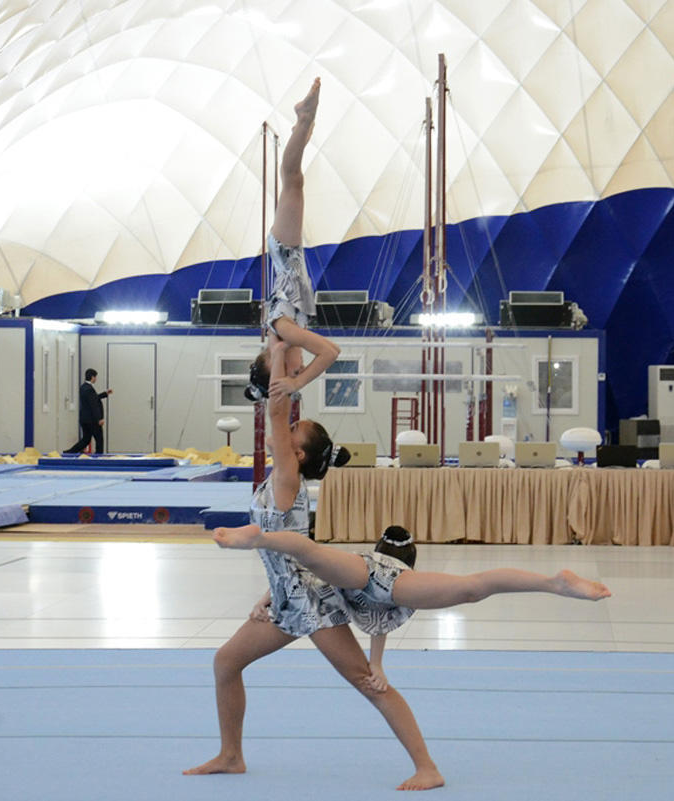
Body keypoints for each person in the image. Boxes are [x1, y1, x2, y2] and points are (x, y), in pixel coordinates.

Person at [184, 340, 445, 791]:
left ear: (297, 455)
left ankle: (427, 767)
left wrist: (280, 346)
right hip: (287, 599)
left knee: (367, 681)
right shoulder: (279, 478)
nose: (289, 430)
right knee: (226, 662)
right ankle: (231, 755)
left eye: (294, 432)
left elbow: (276, 410)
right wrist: (268, 595)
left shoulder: (286, 476)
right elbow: (288, 550)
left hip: (314, 603)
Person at [211, 522, 613, 692]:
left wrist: (262, 599)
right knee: (472, 589)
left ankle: (261, 538)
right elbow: (378, 617)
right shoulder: (392, 580)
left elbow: (296, 574)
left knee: (312, 553)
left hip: (367, 575)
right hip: (374, 581)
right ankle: (551, 584)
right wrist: (262, 601)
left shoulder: (378, 569)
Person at [245, 77, 340, 403]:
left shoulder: (284, 331)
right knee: (293, 182)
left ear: (278, 360)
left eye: (295, 371)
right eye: (300, 372)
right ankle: (303, 129)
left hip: (284, 254)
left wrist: (296, 385)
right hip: (289, 255)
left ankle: (302, 120)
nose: (301, 370)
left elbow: (329, 353)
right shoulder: (284, 333)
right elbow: (329, 351)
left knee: (292, 180)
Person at [64, 368, 112, 454]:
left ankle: (69, 452)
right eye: (95, 377)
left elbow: (93, 398)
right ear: (92, 377)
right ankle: (98, 457)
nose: (96, 379)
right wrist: (99, 418)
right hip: (92, 420)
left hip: (84, 419)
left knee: (86, 439)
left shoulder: (83, 387)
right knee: (99, 439)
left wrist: (105, 393)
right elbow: (93, 405)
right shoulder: (89, 389)